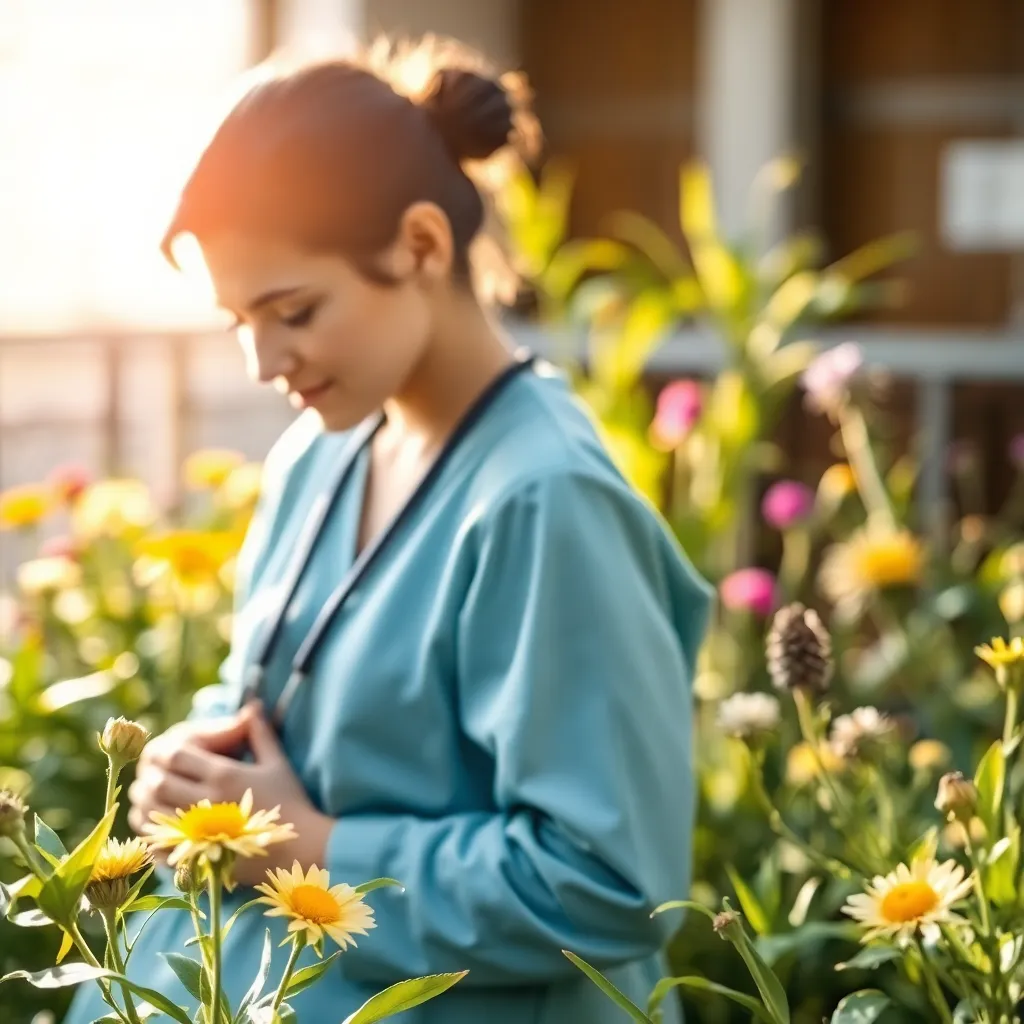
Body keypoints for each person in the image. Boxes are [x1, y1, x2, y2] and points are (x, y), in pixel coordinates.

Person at [65, 36, 712, 1024]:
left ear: (420, 244)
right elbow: (283, 712)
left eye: (293, 310)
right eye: (239, 320)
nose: (263, 360)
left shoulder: (544, 499)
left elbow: (611, 880)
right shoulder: (319, 455)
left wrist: (318, 851)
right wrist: (194, 767)